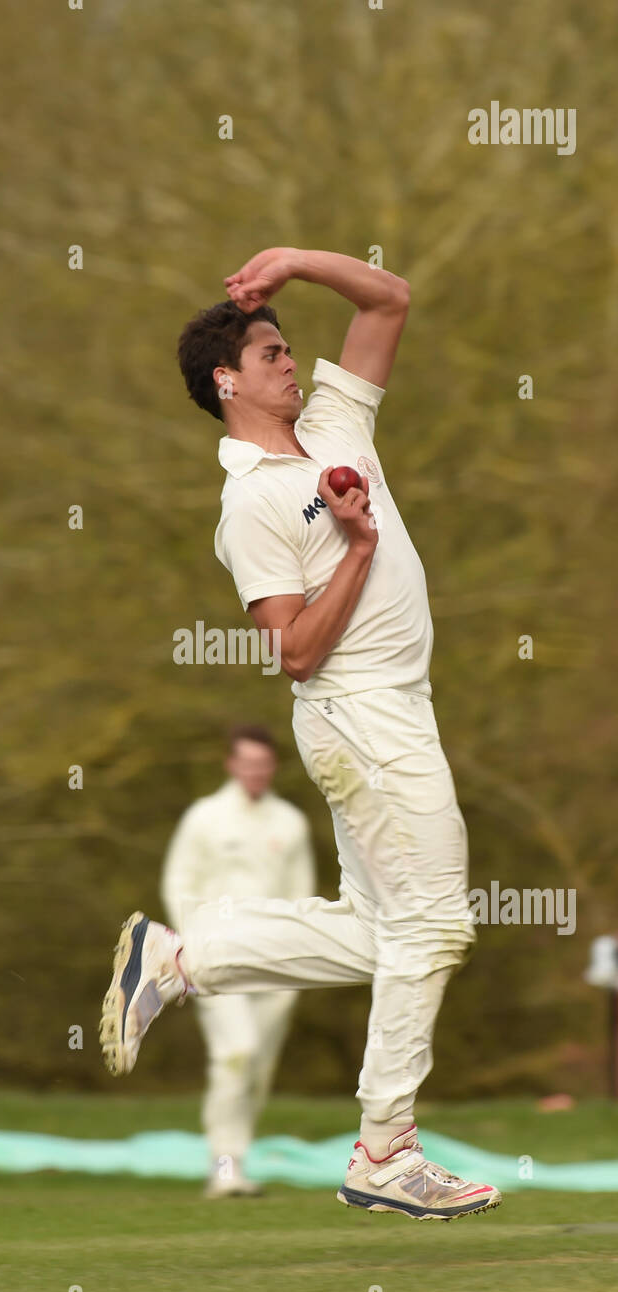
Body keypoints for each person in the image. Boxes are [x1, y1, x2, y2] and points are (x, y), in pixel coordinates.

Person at [101, 246, 502, 1222]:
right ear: (227, 379)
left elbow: (391, 298)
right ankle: (384, 1151)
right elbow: (293, 653)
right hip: (357, 714)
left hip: (400, 710)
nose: (293, 360)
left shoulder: (332, 424)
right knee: (436, 925)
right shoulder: (253, 500)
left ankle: (179, 960)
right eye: (273, 350)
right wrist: (358, 550)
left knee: (384, 933)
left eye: (291, 346)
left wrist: (295, 262)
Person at [161, 724, 316, 1198]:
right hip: (218, 958)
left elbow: (301, 893)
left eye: (264, 764)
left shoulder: (290, 821)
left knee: (260, 1065)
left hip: (275, 961)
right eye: (248, 763)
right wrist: (192, 947)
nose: (256, 772)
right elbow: (179, 883)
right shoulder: (205, 817)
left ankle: (238, 1164)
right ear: (231, 764)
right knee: (236, 1052)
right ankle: (222, 1166)